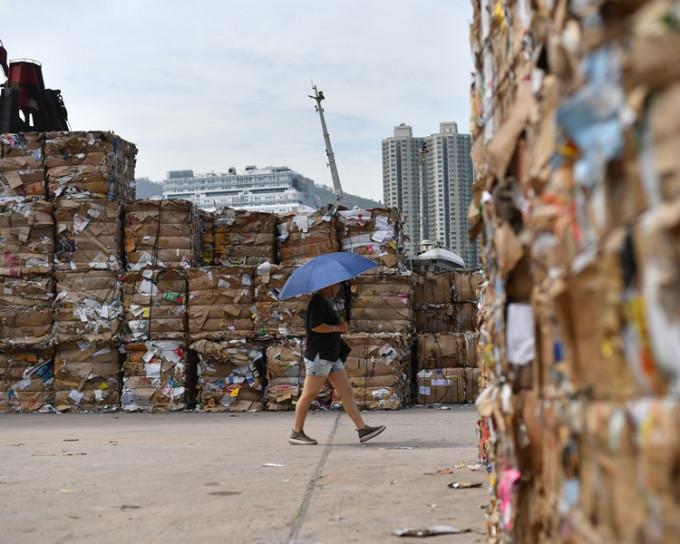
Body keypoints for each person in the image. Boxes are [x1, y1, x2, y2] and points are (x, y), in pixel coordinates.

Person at [289, 282, 386, 445]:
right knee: (309, 394)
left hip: (332, 357)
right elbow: (315, 326)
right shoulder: (317, 301)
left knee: (346, 391)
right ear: (326, 286)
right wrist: (337, 327)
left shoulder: (326, 302)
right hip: (320, 356)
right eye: (336, 286)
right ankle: (296, 433)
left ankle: (362, 429)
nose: (338, 289)